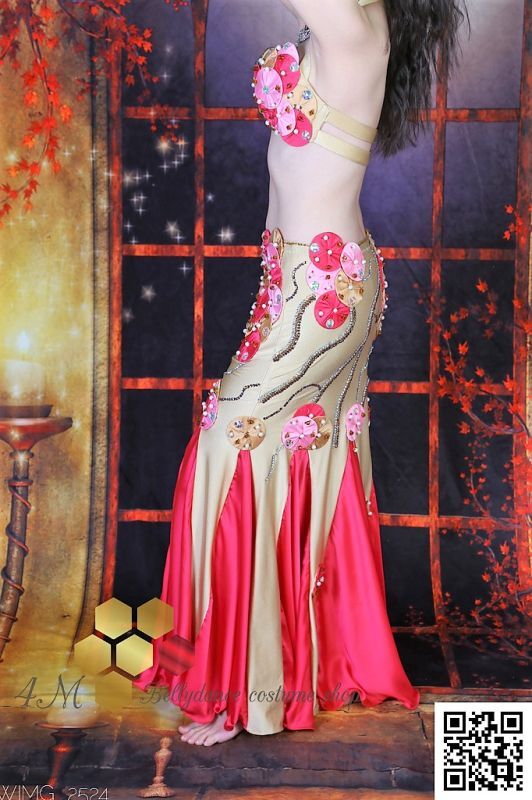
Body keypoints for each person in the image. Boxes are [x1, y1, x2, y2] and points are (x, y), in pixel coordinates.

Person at [134, 0, 468, 746]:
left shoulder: (358, 26)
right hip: (298, 285)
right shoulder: (336, 25)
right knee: (299, 452)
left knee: (233, 441)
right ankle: (302, 662)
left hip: (322, 294)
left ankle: (245, 688)